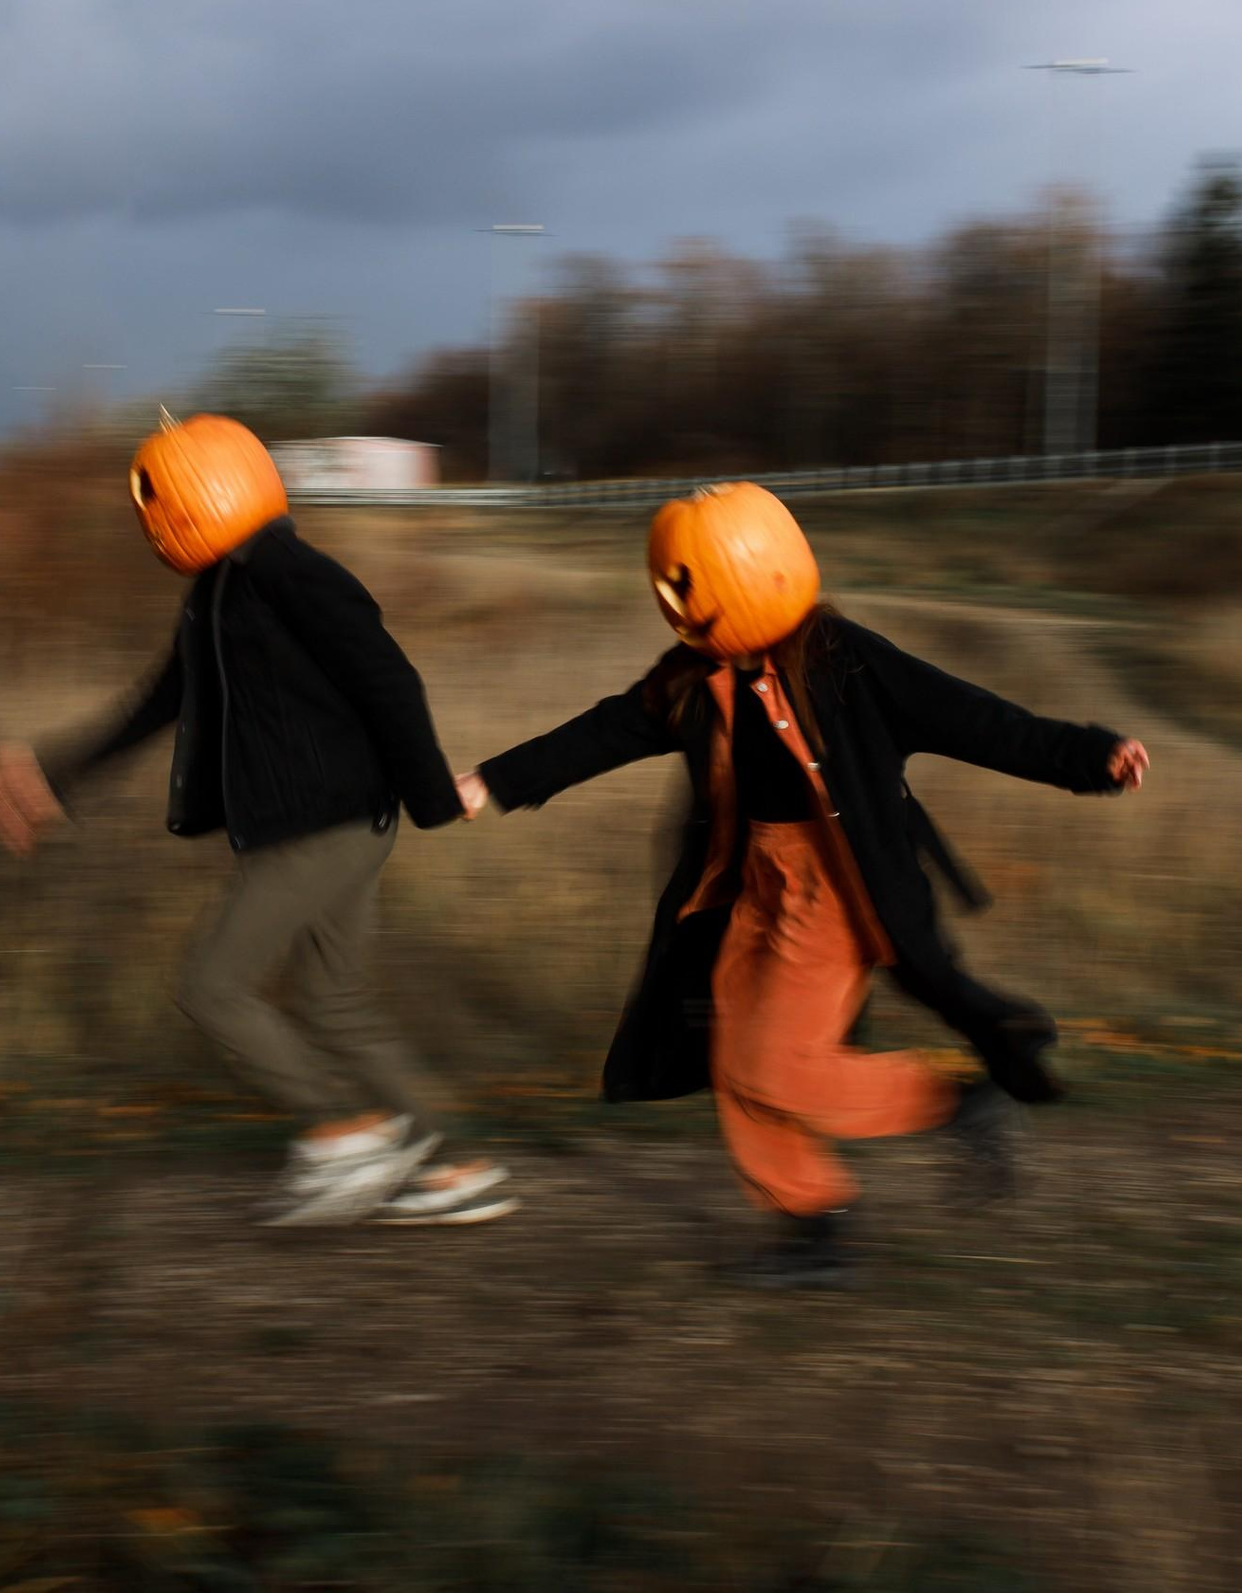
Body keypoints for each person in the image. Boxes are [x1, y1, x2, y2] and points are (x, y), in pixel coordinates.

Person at [458, 482, 1144, 1286]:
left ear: (761, 571)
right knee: (737, 1057)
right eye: (667, 585)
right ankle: (813, 1230)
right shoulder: (691, 677)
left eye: (684, 583)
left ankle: (956, 1103)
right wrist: (492, 782)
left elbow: (980, 720)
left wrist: (1092, 756)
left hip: (840, 886)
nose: (672, 602)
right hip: (754, 881)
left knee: (778, 1062)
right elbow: (602, 731)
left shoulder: (850, 664)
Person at [0, 410, 515, 1229]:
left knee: (212, 986)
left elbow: (390, 680)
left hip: (326, 825)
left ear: (207, 492)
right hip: (326, 822)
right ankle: (458, 1163)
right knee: (335, 1002)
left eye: (160, 502)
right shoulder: (218, 592)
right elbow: (159, 701)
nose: (153, 520)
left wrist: (432, 795)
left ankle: (344, 1133)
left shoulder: (288, 572)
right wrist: (52, 775)